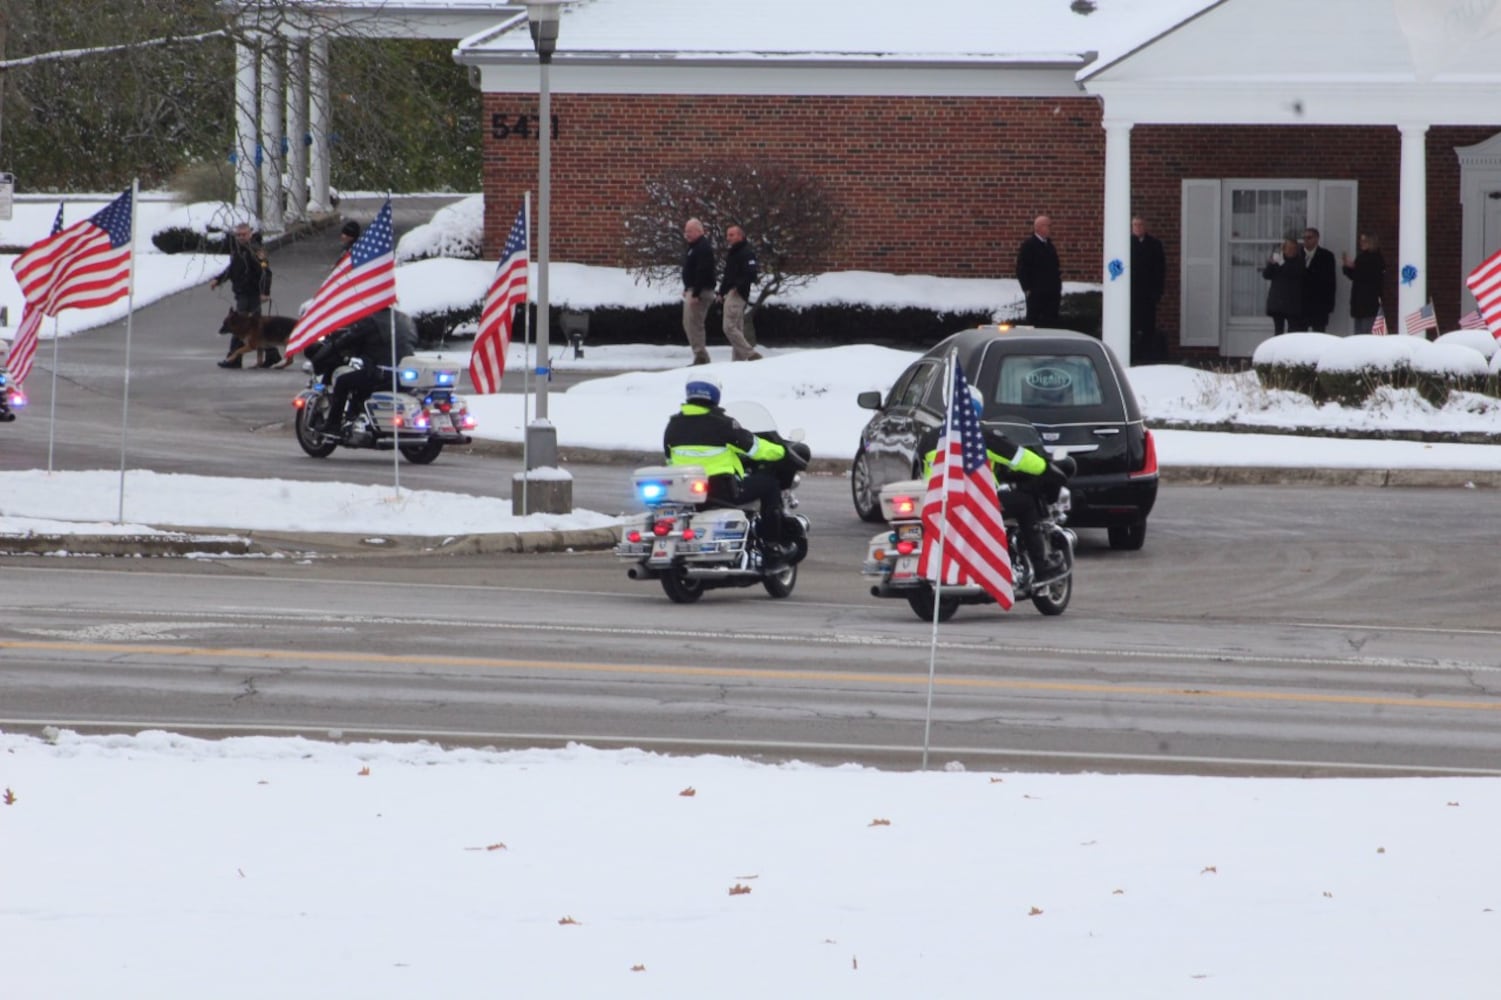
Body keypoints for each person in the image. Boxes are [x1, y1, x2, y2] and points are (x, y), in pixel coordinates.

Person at [919, 387, 1068, 586]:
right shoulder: (981, 435)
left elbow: (922, 472)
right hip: (974, 504)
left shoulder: (928, 439)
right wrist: (1046, 468)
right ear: (977, 409)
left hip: (940, 505)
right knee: (1026, 503)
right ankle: (1042, 567)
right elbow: (1018, 457)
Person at [663, 378, 794, 561]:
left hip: (684, 493)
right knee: (770, 484)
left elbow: (669, 459)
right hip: (721, 491)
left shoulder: (673, 425)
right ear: (715, 395)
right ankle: (772, 544)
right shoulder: (722, 424)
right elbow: (755, 448)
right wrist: (782, 451)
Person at [317, 310, 419, 438]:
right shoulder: (405, 319)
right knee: (359, 383)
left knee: (343, 381)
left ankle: (333, 426)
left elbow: (350, 337)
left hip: (380, 374)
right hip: (401, 374)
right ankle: (354, 415)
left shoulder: (372, 319)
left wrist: (333, 345)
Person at [208, 223, 272, 369]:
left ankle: (233, 358)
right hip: (241, 292)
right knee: (256, 327)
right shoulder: (237, 250)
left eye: (244, 234)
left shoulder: (256, 250)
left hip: (253, 293)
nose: (241, 237)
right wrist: (218, 280)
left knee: (239, 326)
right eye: (238, 235)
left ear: (250, 233)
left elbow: (266, 272)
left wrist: (265, 292)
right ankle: (271, 355)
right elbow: (232, 269)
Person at [715, 225, 763, 362]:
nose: (728, 238)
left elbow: (751, 274)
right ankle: (738, 362)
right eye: (728, 235)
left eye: (732, 235)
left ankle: (751, 354)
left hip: (738, 294)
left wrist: (738, 286)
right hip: (730, 292)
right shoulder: (733, 253)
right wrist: (721, 292)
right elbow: (728, 276)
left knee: (729, 327)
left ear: (740, 236)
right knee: (737, 328)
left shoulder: (746, 253)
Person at [1129, 214, 1167, 364]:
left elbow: (1160, 270)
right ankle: (1133, 354)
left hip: (1148, 293)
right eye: (1135, 225)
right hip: (1131, 294)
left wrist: (1157, 292)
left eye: (1140, 225)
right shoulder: (1125, 244)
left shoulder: (1154, 245)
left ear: (1145, 227)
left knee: (1147, 325)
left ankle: (1146, 355)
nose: (1138, 228)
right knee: (1131, 325)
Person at [1015, 214, 1062, 328]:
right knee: (1035, 322)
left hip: (1051, 293)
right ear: (1039, 227)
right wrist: (1027, 288)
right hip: (1036, 292)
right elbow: (1022, 268)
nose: (1050, 229)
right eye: (1047, 226)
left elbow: (1055, 267)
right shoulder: (1029, 245)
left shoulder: (1049, 245)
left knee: (1050, 322)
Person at [681, 218, 717, 366]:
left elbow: (702, 271)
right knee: (689, 323)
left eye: (689, 231)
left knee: (694, 324)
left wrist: (695, 293)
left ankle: (701, 357)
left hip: (700, 292)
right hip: (694, 290)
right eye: (685, 231)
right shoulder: (694, 247)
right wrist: (687, 287)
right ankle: (699, 355)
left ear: (699, 231)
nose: (686, 234)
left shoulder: (703, 247)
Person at [1341, 232, 1386, 335]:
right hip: (1359, 301)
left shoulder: (1376, 258)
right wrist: (1347, 267)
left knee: (1367, 332)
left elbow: (1366, 275)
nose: (1361, 243)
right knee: (1359, 331)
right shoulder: (1361, 257)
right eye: (1360, 241)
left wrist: (1354, 267)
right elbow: (1354, 276)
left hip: (1370, 301)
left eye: (1365, 241)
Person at [1262, 237, 1306, 335]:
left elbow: (1292, 273)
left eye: (1294, 248)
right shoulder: (1278, 260)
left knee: (1293, 331)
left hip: (1292, 303)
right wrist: (1271, 264)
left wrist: (1281, 262)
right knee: (1278, 331)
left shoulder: (1300, 262)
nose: (1291, 251)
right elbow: (1266, 275)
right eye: (1289, 248)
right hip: (1278, 302)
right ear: (1284, 249)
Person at [1300, 227, 1337, 333]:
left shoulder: (1327, 256)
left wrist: (1330, 304)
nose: (1306, 240)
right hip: (1301, 304)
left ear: (1316, 239)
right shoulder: (1298, 254)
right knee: (1300, 336)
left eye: (1309, 237)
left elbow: (1331, 282)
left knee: (1319, 334)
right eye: (1304, 238)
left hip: (1319, 303)